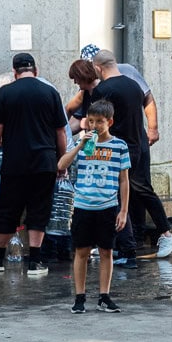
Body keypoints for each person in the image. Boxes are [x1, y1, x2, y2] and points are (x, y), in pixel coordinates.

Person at [0, 53, 68, 276]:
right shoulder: (50, 92)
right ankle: (35, 262)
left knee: (9, 210)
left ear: (15, 72)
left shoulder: (5, 93)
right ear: (35, 70)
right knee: (39, 210)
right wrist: (61, 161)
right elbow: (60, 132)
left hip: (15, 162)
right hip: (45, 162)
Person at [92, 50, 172, 260]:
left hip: (116, 149)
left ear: (98, 68)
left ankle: (131, 245)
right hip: (136, 145)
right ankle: (125, 242)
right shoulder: (133, 85)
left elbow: (98, 124)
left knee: (121, 195)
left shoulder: (103, 89)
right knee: (137, 190)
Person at [59, 99, 130, 314]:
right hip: (83, 205)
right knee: (81, 251)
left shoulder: (119, 146)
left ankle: (104, 295)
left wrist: (124, 210)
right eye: (91, 121)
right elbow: (61, 165)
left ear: (110, 121)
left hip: (107, 205)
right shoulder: (82, 144)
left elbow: (124, 180)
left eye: (100, 121)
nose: (95, 126)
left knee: (106, 251)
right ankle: (79, 296)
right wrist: (80, 144)